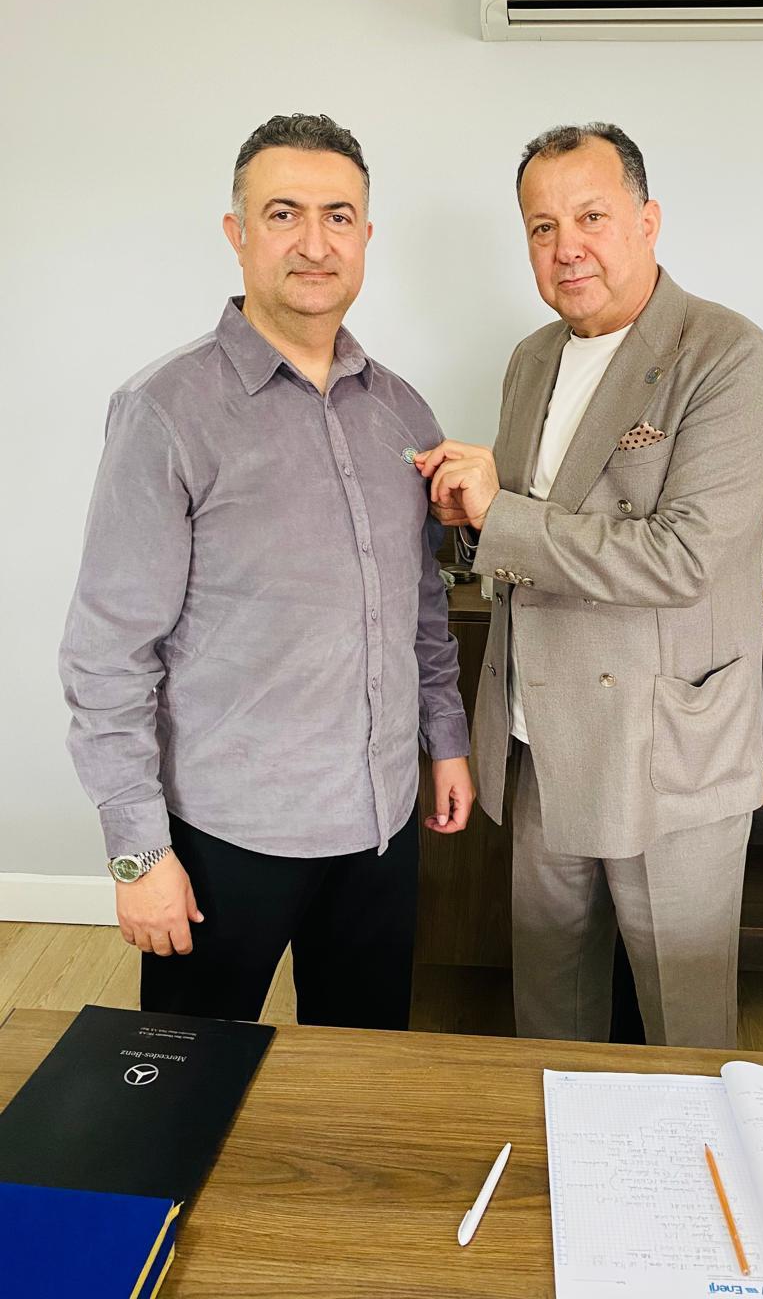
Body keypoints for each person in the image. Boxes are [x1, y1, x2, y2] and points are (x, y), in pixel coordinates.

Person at [60, 111, 473, 1029]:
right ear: (237, 233)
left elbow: (421, 604)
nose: (314, 243)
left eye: (338, 216)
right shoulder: (165, 411)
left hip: (380, 825)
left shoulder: (404, 411)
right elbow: (108, 652)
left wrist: (445, 737)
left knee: (360, 1076)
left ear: (365, 237)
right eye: (284, 213)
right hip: (225, 837)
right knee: (185, 1085)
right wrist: (138, 853)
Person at [416, 122, 763, 1049]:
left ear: (647, 220)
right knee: (550, 1010)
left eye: (591, 216)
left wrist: (501, 514)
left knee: (685, 1021)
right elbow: (519, 534)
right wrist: (466, 514)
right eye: (541, 227)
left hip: (664, 745)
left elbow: (681, 558)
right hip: (537, 735)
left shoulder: (727, 354)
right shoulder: (530, 358)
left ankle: (689, 1150)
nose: (566, 247)